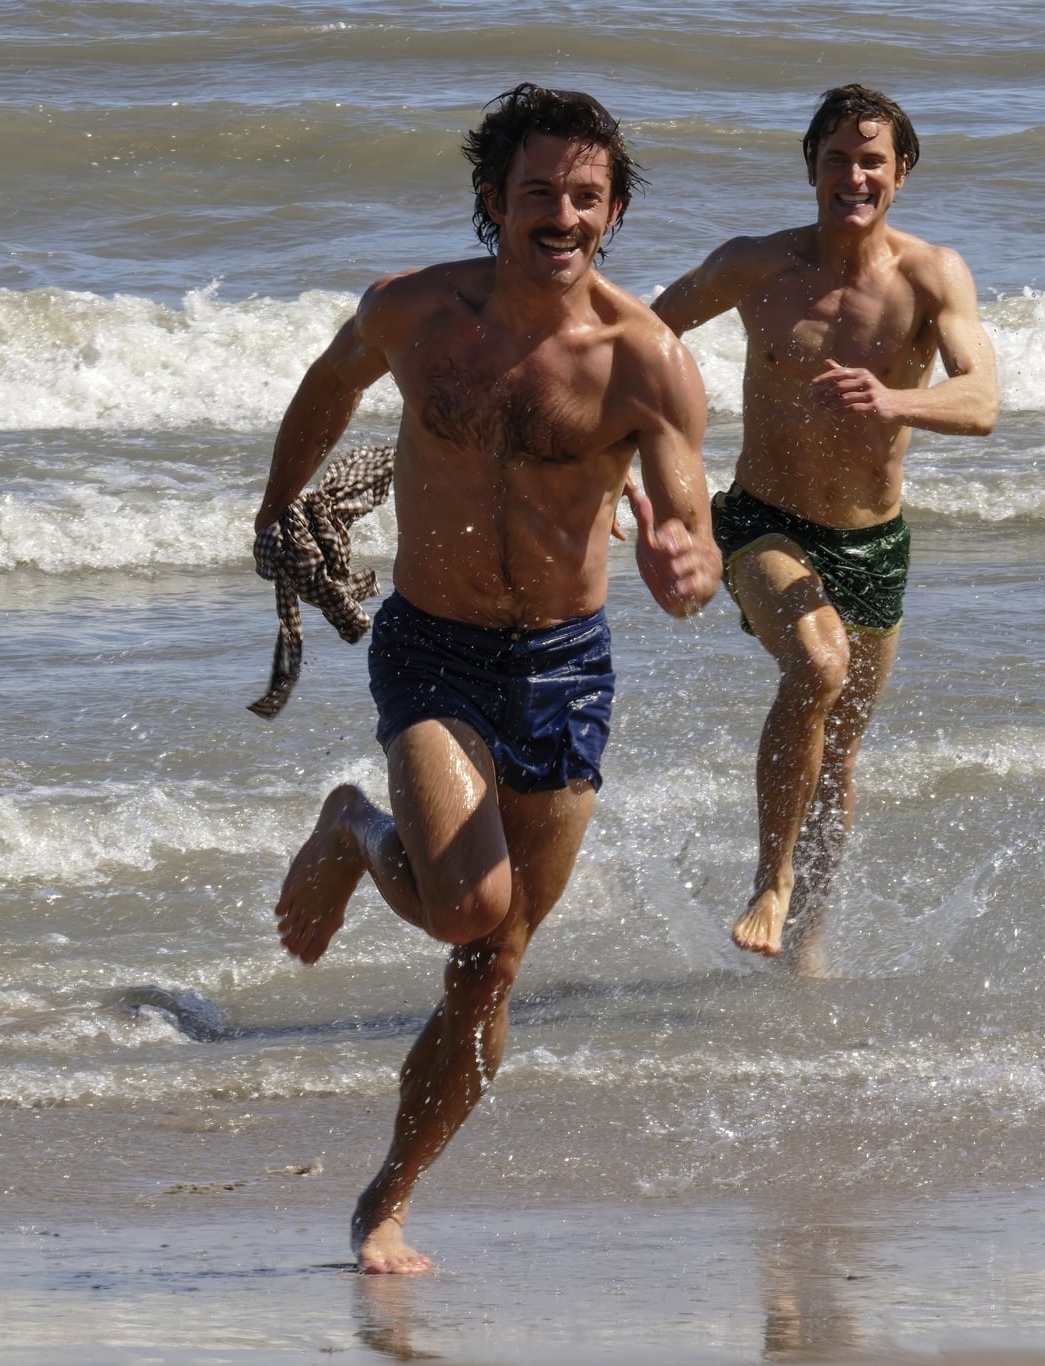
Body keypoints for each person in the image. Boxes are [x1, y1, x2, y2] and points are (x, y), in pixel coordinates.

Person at [255, 84, 718, 1275]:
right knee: (467, 906)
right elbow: (327, 387)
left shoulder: (646, 363)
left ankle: (386, 1202)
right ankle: (356, 827)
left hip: (563, 669)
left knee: (489, 969)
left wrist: (686, 563)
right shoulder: (414, 314)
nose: (559, 215)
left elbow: (689, 523)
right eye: (535, 194)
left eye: (583, 196)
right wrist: (275, 506)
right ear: (490, 203)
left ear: (610, 213)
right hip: (435, 647)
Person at [653, 84, 998, 972]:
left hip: (874, 543)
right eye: (837, 157)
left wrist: (896, 399)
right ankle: (768, 882)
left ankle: (804, 946)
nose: (854, 174)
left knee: (839, 755)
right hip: (762, 524)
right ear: (810, 168)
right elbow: (641, 339)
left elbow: (983, 400)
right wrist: (629, 463)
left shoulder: (933, 275)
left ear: (901, 173)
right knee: (817, 662)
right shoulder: (755, 266)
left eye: (871, 159)